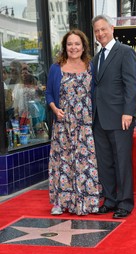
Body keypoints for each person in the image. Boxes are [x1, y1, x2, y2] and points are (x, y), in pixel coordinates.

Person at [46, 29, 101, 216]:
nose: (73, 47)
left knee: (85, 164)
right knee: (62, 163)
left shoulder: (91, 66)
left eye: (77, 44)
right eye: (69, 44)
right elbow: (48, 94)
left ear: (83, 46)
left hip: (84, 124)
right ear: (65, 47)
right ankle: (60, 203)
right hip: (63, 124)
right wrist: (54, 109)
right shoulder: (56, 67)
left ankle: (86, 202)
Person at [92, 15, 136, 218]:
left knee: (122, 161)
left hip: (121, 118)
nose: (100, 33)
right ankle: (110, 200)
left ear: (112, 28)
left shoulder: (125, 52)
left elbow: (131, 84)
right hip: (99, 119)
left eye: (103, 29)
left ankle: (125, 203)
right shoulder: (96, 58)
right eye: (96, 31)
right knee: (105, 162)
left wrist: (128, 111)